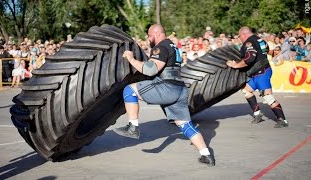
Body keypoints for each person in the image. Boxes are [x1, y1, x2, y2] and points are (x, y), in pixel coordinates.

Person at [113, 24, 215, 166]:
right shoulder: (173, 46)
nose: (149, 38)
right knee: (185, 125)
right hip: (180, 89)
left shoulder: (161, 47)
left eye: (149, 35)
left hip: (167, 88)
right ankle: (206, 155)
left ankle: (133, 127)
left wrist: (131, 59)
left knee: (129, 90)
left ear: (155, 33)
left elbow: (151, 69)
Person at [226, 26, 288, 128]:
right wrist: (274, 53)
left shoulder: (249, 43)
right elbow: (268, 50)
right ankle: (257, 114)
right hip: (258, 72)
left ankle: (282, 120)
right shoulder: (261, 40)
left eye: (239, 36)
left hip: (262, 73)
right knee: (246, 90)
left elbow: (250, 58)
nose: (240, 39)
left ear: (244, 34)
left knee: (267, 97)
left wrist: (236, 65)